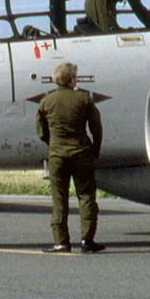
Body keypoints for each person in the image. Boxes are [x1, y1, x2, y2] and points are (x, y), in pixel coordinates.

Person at [35, 61, 105, 253]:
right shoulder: (84, 99)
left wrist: (54, 143)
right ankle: (87, 240)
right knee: (86, 196)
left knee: (59, 198)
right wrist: (95, 148)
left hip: (57, 156)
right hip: (81, 153)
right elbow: (96, 127)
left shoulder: (46, 101)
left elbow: (41, 131)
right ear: (72, 79)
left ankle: (61, 241)